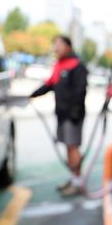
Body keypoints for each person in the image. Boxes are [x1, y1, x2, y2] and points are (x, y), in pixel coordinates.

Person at [30, 35, 88, 196]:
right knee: (68, 148)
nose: (56, 48)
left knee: (73, 146)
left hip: (72, 114)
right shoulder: (59, 66)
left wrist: (75, 111)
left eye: (59, 45)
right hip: (61, 114)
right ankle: (73, 178)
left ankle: (77, 182)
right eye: (55, 45)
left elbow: (80, 90)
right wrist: (31, 95)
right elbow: (49, 85)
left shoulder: (77, 65)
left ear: (68, 46)